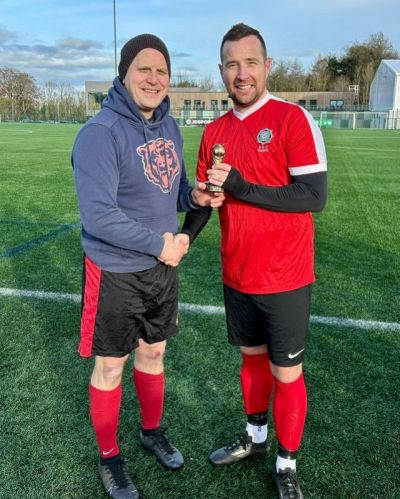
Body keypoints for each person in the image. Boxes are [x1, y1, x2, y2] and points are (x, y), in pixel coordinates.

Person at [71, 34, 223, 499]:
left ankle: (151, 430)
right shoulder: (100, 133)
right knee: (111, 366)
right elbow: (98, 215)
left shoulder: (170, 127)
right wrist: (159, 245)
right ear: (124, 74)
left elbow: (170, 190)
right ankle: (109, 458)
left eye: (161, 71)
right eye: (144, 69)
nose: (153, 79)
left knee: (154, 353)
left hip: (161, 269)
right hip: (115, 270)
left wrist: (194, 196)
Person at [190, 23, 327, 499]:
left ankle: (287, 463)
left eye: (250, 62)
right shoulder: (215, 132)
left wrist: (243, 188)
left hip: (286, 276)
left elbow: (313, 196)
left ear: (267, 67)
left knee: (287, 372)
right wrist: (188, 230)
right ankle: (255, 436)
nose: (241, 73)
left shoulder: (292, 120)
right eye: (232, 64)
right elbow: (208, 197)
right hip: (237, 272)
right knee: (251, 361)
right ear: (221, 71)